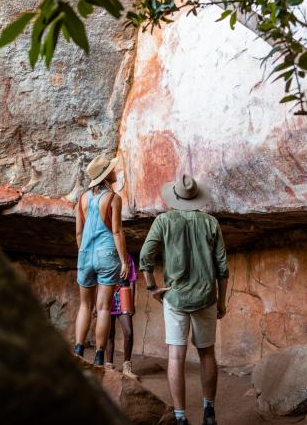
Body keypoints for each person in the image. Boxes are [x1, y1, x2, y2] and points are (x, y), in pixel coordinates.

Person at [139, 174, 229, 425]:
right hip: (206, 297)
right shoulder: (211, 223)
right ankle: (209, 411)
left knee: (176, 356)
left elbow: (146, 256)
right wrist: (221, 302)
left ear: (175, 197)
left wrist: (151, 288)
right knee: (207, 353)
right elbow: (222, 267)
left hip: (175, 297)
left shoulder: (163, 221)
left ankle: (180, 417)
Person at [73, 154, 130, 367]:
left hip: (85, 254)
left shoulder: (82, 199)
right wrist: (124, 260)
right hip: (107, 254)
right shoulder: (113, 199)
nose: (115, 171)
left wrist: (84, 252)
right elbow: (117, 232)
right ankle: (98, 355)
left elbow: (79, 233)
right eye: (111, 170)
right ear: (106, 176)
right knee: (104, 307)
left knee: (85, 305)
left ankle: (78, 350)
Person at [105, 253, 138, 378]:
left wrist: (132, 302)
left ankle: (127, 367)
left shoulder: (127, 257)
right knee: (109, 334)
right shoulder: (105, 254)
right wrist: (95, 303)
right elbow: (98, 280)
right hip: (107, 296)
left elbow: (132, 281)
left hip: (123, 296)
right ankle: (109, 365)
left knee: (128, 333)